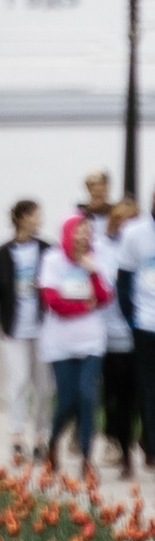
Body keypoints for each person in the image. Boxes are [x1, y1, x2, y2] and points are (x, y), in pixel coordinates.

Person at [0, 201, 49, 464]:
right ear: (22, 218)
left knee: (43, 385)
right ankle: (17, 436)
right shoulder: (3, 254)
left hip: (43, 328)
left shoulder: (46, 249)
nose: (39, 220)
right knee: (18, 381)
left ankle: (41, 437)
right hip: (13, 328)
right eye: (35, 215)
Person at [39, 204, 111, 473]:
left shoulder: (95, 258)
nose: (84, 237)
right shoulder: (52, 260)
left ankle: (86, 456)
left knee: (88, 394)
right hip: (60, 344)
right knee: (67, 398)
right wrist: (84, 306)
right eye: (79, 232)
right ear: (68, 233)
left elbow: (104, 297)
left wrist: (92, 271)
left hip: (92, 342)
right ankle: (53, 441)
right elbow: (52, 301)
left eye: (88, 232)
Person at [110, 191, 155, 478]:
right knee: (147, 387)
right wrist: (131, 318)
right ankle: (150, 446)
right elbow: (123, 280)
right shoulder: (134, 234)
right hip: (145, 323)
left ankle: (148, 440)